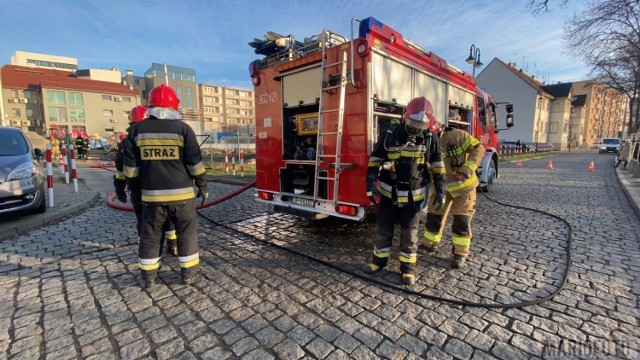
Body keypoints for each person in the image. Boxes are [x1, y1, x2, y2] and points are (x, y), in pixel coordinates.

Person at [123, 84, 207, 288]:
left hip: (151, 198)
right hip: (183, 197)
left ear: (149, 105)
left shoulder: (136, 130)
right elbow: (195, 163)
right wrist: (202, 186)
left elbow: (130, 170)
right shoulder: (183, 129)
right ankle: (189, 274)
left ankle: (149, 277)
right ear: (174, 105)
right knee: (186, 233)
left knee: (150, 235)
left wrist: (136, 188)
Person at [363, 96, 446, 286]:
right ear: (404, 117)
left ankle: (407, 269)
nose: (415, 129)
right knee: (382, 229)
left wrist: (441, 189)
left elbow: (437, 166)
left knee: (410, 234)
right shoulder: (390, 134)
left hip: (413, 198)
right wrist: (369, 184)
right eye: (412, 123)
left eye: (420, 126)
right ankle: (378, 262)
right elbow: (375, 161)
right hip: (388, 194)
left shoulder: (430, 139)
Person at [422, 110, 486, 269]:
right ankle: (430, 244)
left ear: (437, 129)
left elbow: (479, 149)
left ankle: (460, 254)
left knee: (461, 222)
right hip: (441, 188)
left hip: (464, 188)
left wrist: (465, 170)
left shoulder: (457, 136)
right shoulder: (424, 142)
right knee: (433, 217)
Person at [115, 105, 179, 256]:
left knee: (144, 220)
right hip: (164, 186)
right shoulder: (159, 137)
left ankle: (147, 251)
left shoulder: (126, 142)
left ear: (131, 120)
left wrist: (119, 186)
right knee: (169, 217)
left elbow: (121, 169)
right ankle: (173, 246)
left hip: (138, 189)